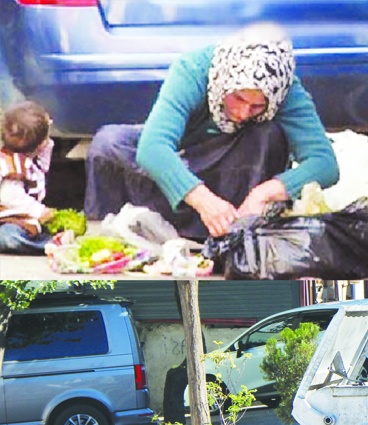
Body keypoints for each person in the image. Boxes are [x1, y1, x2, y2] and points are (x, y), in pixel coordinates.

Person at [84, 24, 339, 240]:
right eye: (238, 98)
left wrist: (265, 193)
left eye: (257, 106)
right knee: (108, 143)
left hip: (235, 171)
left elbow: (324, 163)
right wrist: (204, 201)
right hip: (185, 160)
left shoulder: (284, 88)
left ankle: (236, 230)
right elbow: (153, 148)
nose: (242, 113)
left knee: (269, 132)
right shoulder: (193, 69)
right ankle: (123, 234)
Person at [0, 100, 55, 254]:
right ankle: (48, 244)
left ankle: (45, 237)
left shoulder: (31, 158)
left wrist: (46, 140)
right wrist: (40, 211)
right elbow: (11, 197)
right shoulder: (11, 166)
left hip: (21, 217)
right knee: (9, 237)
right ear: (39, 144)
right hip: (6, 220)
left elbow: (44, 162)